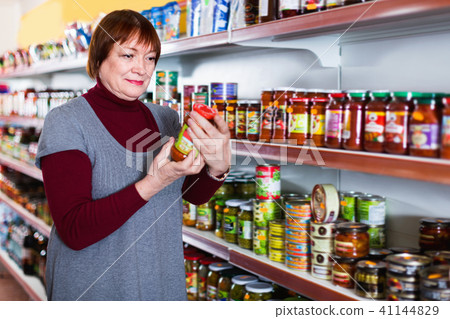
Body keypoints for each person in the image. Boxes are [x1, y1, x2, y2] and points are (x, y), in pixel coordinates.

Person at [36, 10, 231, 301]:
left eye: (150, 58)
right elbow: (74, 230)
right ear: (100, 58)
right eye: (128, 55)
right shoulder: (66, 121)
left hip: (160, 281)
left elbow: (189, 193)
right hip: (94, 287)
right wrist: (154, 181)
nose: (142, 68)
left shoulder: (166, 118)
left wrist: (219, 165)